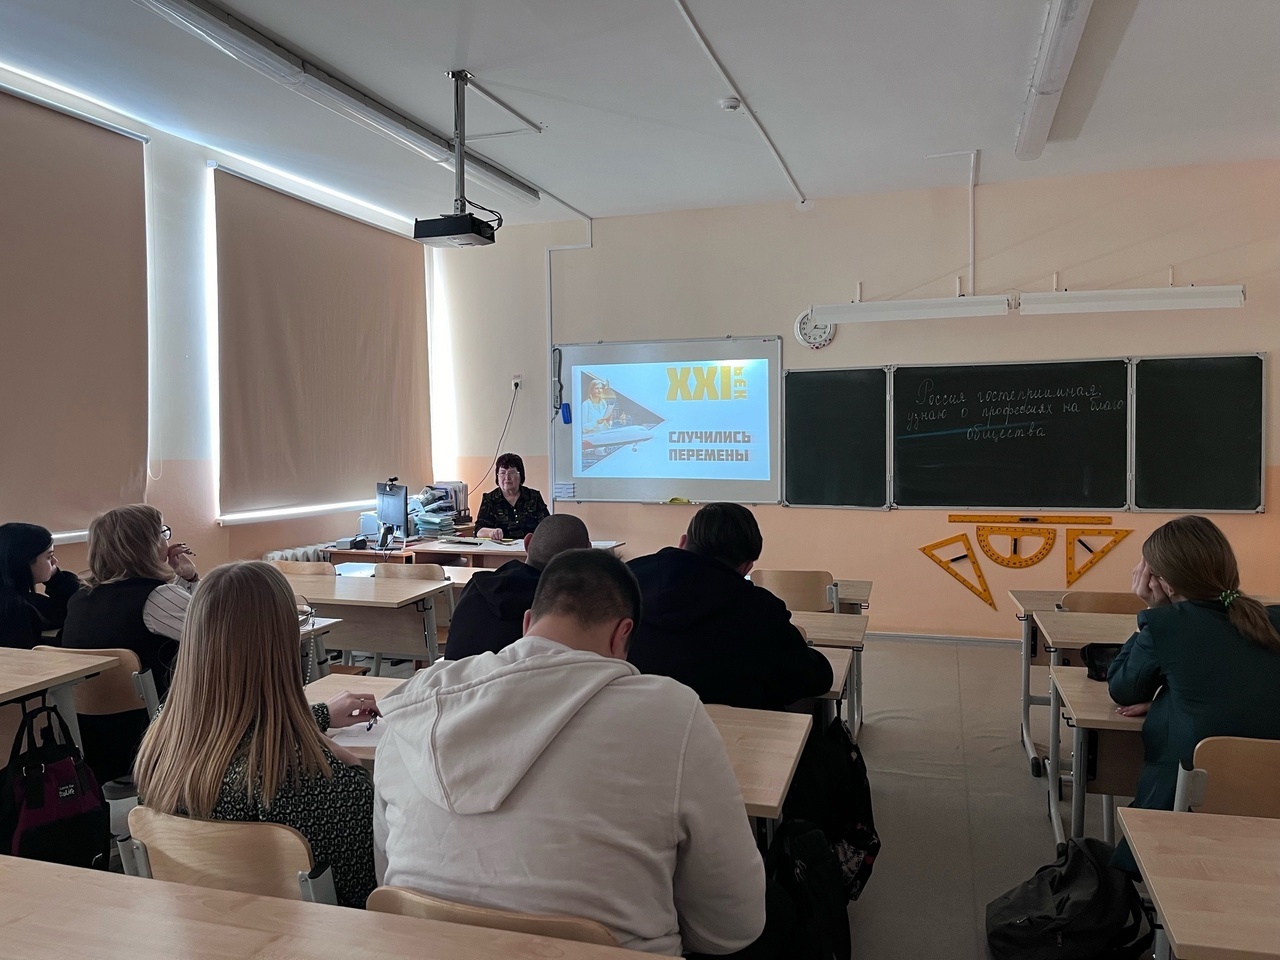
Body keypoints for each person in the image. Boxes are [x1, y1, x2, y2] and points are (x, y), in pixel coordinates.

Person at [374, 549, 767, 956]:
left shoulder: (415, 705)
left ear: (527, 623)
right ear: (622, 635)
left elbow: (385, 874)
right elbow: (731, 927)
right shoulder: (673, 713)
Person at [133, 561, 380, 909]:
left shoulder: (163, 738)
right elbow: (362, 894)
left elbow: (236, 725)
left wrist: (318, 716)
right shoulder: (311, 778)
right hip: (299, 934)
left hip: (197, 925)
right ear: (283, 641)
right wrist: (352, 767)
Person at [1108, 515, 1280, 873]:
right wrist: (1169, 697)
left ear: (1164, 583)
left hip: (1186, 810)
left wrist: (1154, 612)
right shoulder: (1271, 619)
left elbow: (1123, 688)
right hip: (1269, 808)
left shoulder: (1166, 625)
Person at [626, 503, 833, 711]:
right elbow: (812, 680)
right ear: (746, 567)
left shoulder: (624, 587)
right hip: (737, 730)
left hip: (637, 722)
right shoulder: (760, 610)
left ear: (683, 543)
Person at [62, 504, 200, 697]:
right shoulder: (155, 597)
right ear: (148, 545)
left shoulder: (79, 598)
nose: (166, 539)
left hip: (85, 713)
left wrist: (186, 578)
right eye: (162, 532)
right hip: (158, 711)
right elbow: (220, 634)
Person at [444, 513, 591, 660]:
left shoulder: (477, 585)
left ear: (527, 543)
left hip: (451, 673)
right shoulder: (563, 606)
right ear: (586, 555)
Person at [0, 523, 81, 649]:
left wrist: (55, 577)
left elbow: (66, 610)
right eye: (49, 556)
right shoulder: (14, 610)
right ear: (25, 561)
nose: (55, 561)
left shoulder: (19, 598)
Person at [474, 452, 550, 540]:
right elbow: (478, 530)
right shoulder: (489, 499)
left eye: (512, 472)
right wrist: (491, 532)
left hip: (530, 546)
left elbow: (547, 525)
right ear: (497, 476)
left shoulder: (534, 497)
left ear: (520, 475)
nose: (507, 477)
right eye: (502, 473)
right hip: (500, 547)